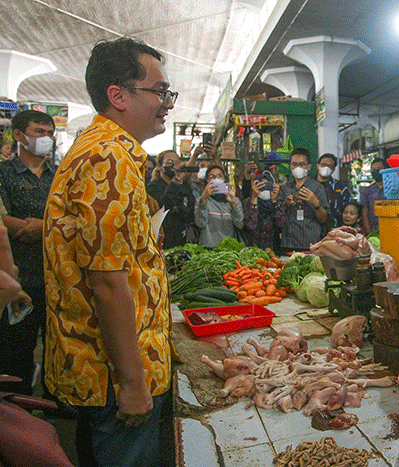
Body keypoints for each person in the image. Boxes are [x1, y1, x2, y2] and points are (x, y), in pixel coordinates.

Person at [43, 37, 175, 466]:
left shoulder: (106, 152)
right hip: (114, 379)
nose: (167, 103)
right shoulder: (108, 158)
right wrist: (134, 386)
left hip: (103, 373)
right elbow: (107, 284)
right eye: (159, 91)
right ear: (117, 96)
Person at [0, 109, 56, 396]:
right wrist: (26, 226)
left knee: (57, 345)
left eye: (49, 133)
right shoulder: (4, 173)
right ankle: (16, 406)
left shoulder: (59, 175)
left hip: (55, 274)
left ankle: (54, 403)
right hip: (16, 274)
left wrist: (43, 227)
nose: (46, 139)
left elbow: (71, 216)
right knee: (15, 345)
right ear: (19, 136)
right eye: (39, 132)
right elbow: (1, 218)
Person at [279, 147, 329, 252]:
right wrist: (286, 204)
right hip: (288, 242)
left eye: (302, 164)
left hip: (310, 243)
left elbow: (324, 219)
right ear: (290, 166)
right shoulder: (285, 188)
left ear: (309, 167)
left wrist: (316, 203)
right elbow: (277, 216)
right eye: (294, 164)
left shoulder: (317, 188)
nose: (298, 168)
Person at [195, 165, 245, 248]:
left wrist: (233, 204)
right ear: (207, 181)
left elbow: (240, 224)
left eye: (219, 176)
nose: (216, 179)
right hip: (208, 248)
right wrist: (203, 200)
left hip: (229, 248)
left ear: (225, 179)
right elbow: (200, 224)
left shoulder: (234, 200)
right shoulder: (202, 201)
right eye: (212, 177)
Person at [242, 171, 285, 252]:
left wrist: (274, 201)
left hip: (271, 250)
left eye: (267, 185)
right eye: (261, 185)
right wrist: (254, 198)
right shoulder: (247, 202)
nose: (264, 188)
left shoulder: (276, 203)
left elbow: (280, 224)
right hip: (251, 250)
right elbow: (250, 226)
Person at [316, 153, 351, 232]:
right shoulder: (309, 185)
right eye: (323, 164)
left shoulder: (341, 187)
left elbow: (346, 209)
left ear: (333, 169)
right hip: (311, 231)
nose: (326, 167)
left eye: (329, 166)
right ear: (318, 166)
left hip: (334, 231)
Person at [361, 158, 389, 234]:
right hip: (374, 231)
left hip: (391, 229)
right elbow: (365, 213)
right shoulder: (368, 190)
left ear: (385, 169)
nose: (376, 171)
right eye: (373, 169)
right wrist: (370, 233)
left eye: (379, 168)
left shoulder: (393, 187)